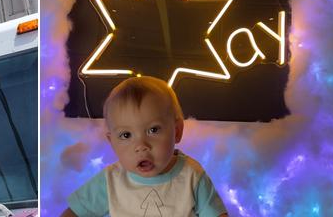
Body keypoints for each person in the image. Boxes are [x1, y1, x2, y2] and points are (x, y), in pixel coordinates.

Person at [61, 76, 228, 217]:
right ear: (112, 143)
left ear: (177, 131)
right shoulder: (110, 180)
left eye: (153, 130)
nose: (141, 146)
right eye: (126, 135)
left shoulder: (192, 175)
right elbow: (74, 212)